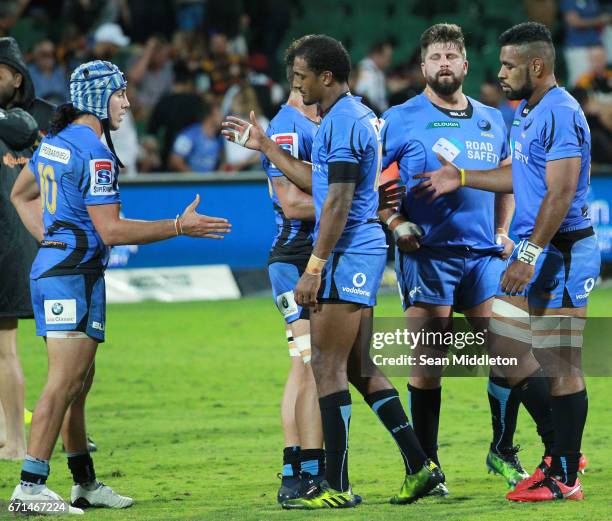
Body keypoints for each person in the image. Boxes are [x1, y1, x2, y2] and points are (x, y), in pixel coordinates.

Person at [223, 34, 442, 509]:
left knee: (325, 365)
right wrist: (264, 145)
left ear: (325, 76)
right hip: (359, 250)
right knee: (361, 368)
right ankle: (420, 466)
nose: (294, 85)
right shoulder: (351, 115)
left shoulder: (341, 123)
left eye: (300, 76)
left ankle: (334, 484)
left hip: (345, 252)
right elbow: (319, 181)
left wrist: (314, 267)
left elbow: (337, 201)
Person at [9, 59, 231, 514]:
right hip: (71, 275)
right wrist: (177, 226)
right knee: (63, 382)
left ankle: (84, 484)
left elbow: (21, 193)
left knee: (79, 384)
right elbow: (111, 231)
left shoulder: (53, 143)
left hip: (70, 271)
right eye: (120, 94)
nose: (128, 103)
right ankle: (29, 486)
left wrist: (50, 239)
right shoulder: (95, 152)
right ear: (97, 99)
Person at [413, 22, 599, 502]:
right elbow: (519, 176)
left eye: (509, 65)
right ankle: (554, 458)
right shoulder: (530, 112)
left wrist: (528, 255)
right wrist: (464, 177)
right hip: (542, 251)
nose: (500, 74)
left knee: (561, 364)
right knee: (529, 355)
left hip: (559, 250)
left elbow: (559, 194)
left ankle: (563, 474)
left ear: (537, 65)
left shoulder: (559, 111)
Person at [377, 23, 525, 493]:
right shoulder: (399, 118)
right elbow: (377, 188)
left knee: (508, 353)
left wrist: (503, 230)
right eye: (435, 56)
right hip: (428, 255)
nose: (444, 63)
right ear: (423, 67)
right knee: (428, 362)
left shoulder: (491, 118)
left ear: (464, 65)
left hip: (483, 255)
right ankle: (427, 467)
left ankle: (501, 449)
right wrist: (396, 223)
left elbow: (508, 177)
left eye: (451, 56)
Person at [262, 76, 324, 503]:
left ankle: (294, 471)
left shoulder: (306, 123)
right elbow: (291, 202)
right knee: (314, 366)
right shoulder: (288, 127)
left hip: (299, 258)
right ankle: (306, 474)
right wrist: (354, 201)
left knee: (303, 366)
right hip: (295, 258)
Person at [169, 100, 225, 173]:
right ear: (210, 116)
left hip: (209, 183)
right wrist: (195, 179)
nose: (223, 117)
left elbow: (223, 162)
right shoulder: (189, 135)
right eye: (220, 114)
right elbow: (175, 161)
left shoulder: (219, 138)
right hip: (190, 183)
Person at [354, 40, 393, 115]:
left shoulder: (378, 72)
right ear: (376, 55)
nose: (389, 61)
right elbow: (363, 96)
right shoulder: (365, 70)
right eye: (387, 57)